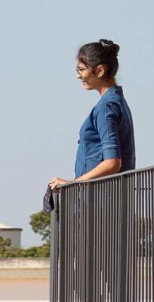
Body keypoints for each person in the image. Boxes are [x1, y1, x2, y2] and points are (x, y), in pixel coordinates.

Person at [48, 38, 135, 192]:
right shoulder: (117, 102)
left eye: (81, 70)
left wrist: (71, 184)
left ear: (100, 71)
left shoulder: (106, 107)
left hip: (101, 202)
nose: (78, 76)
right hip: (113, 197)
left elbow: (112, 162)